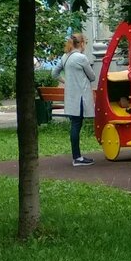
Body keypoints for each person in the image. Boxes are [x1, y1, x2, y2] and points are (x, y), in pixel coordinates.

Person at [53, 32, 97, 166]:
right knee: (76, 126)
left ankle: (76, 156)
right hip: (80, 98)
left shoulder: (65, 57)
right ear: (82, 43)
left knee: (74, 125)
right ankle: (77, 157)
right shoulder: (81, 58)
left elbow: (54, 73)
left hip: (70, 98)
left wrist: (66, 81)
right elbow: (92, 76)